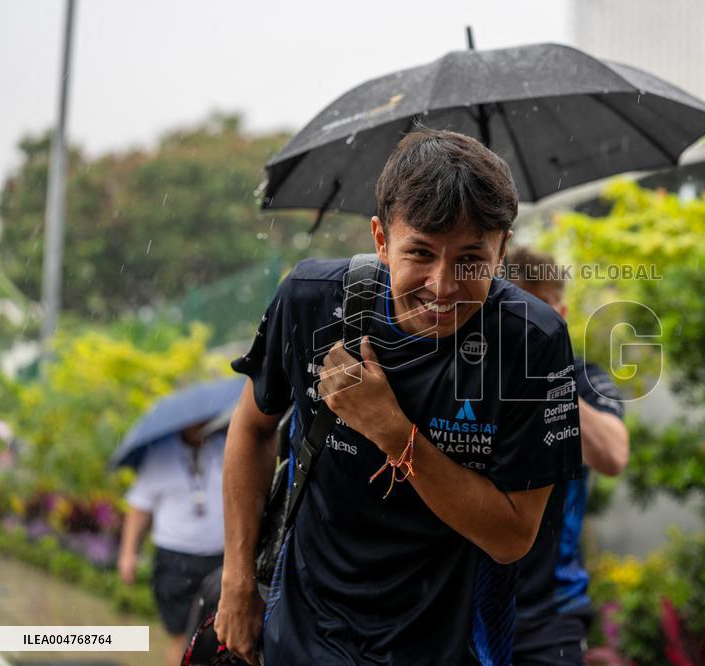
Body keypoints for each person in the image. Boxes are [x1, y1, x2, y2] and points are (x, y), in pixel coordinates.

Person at [216, 128, 583, 665]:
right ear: (381, 239)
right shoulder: (315, 303)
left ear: (503, 250)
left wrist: (389, 428)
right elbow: (252, 427)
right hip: (306, 634)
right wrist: (238, 577)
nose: (442, 285)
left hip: (446, 644)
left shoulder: (532, 341)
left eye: (470, 260)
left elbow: (510, 537)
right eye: (421, 253)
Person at [506, 246, 630, 666]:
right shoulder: (470, 377)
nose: (520, 321)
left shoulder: (585, 378)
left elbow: (612, 454)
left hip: (552, 610)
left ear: (559, 311)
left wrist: (544, 374)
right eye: (509, 303)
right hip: (464, 602)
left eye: (533, 306)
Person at [117, 422, 225, 666]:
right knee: (181, 638)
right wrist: (128, 554)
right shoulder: (160, 455)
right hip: (176, 561)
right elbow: (139, 508)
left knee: (217, 638)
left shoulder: (224, 446)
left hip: (219, 559)